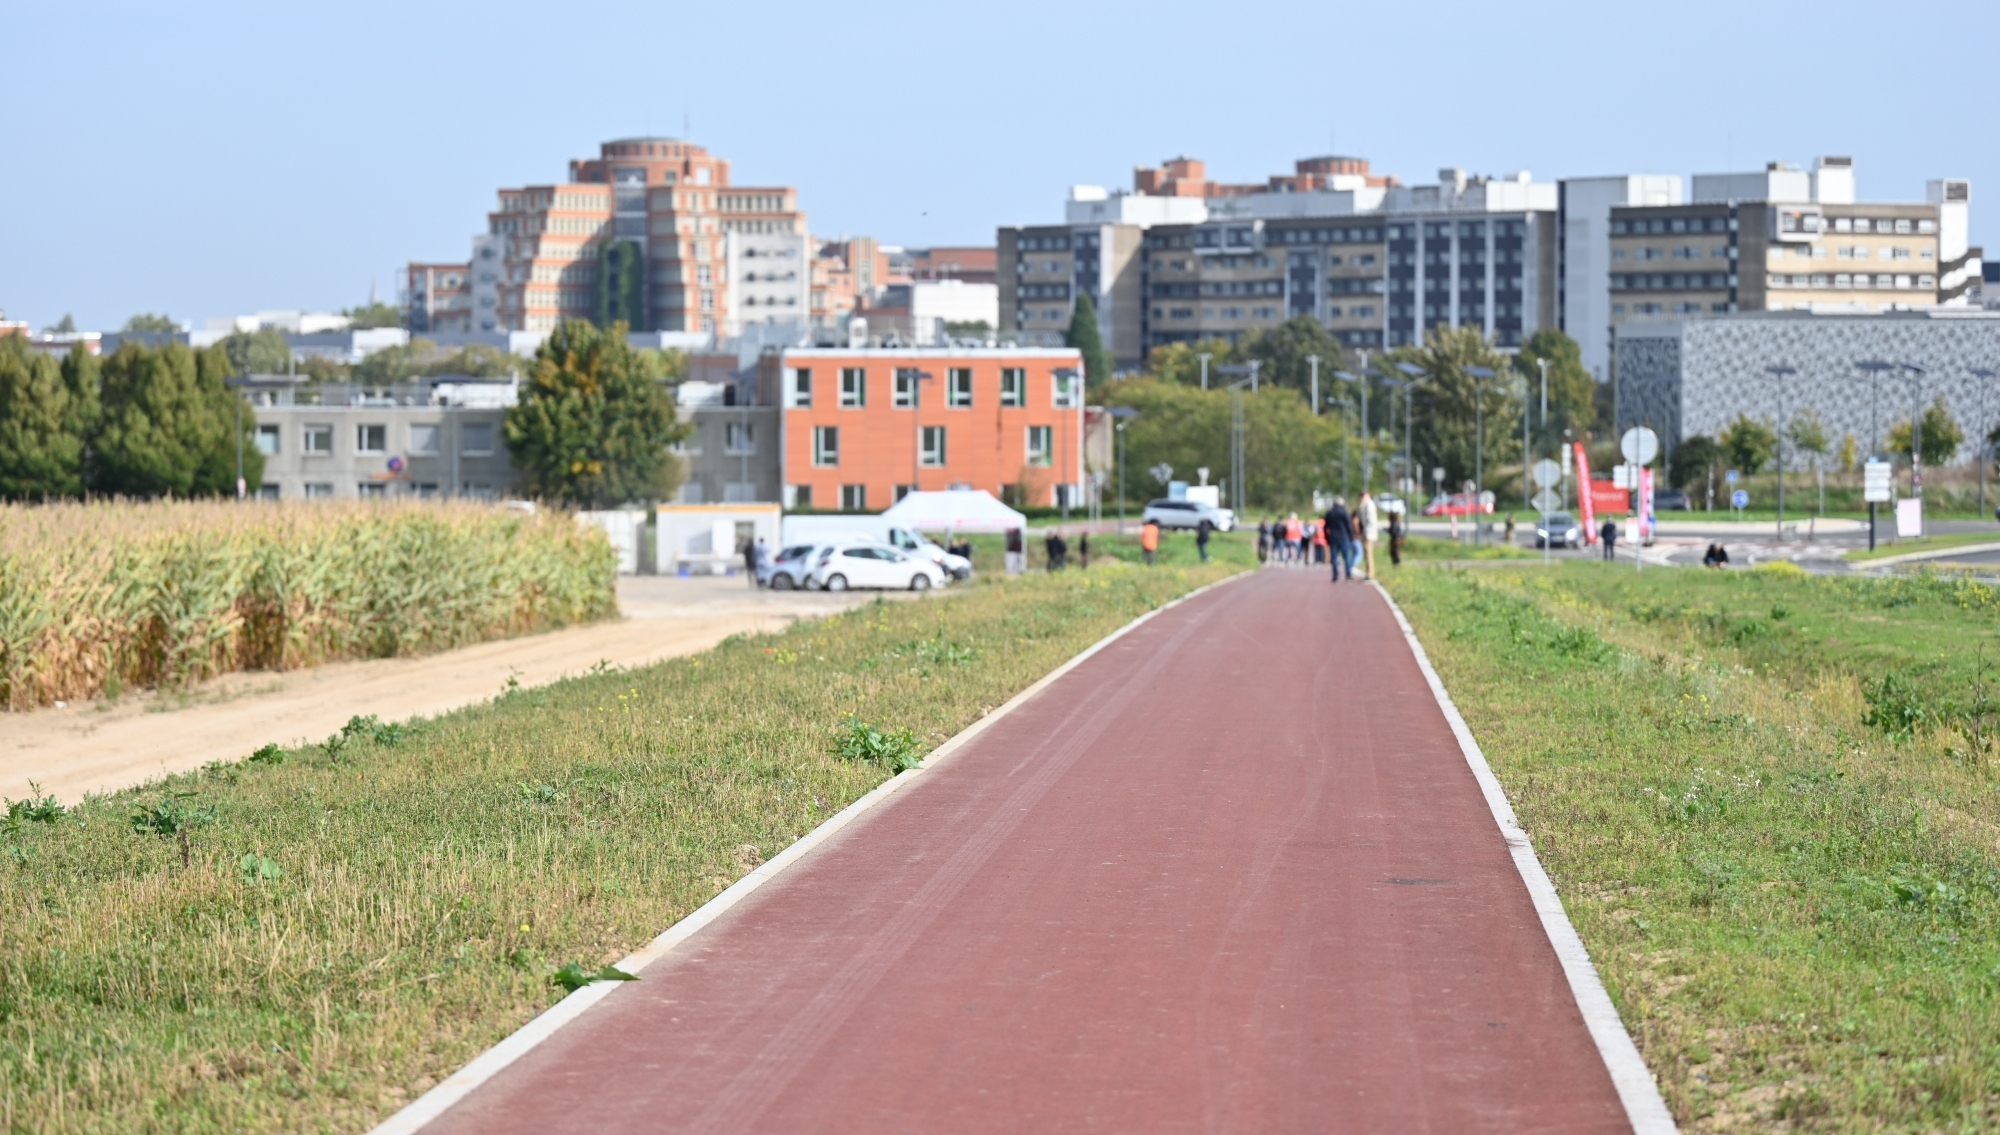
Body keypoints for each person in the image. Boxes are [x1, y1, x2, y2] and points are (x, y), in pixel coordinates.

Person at [1323, 496, 1353, 582]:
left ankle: (1335, 575)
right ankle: (1348, 574)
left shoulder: (1330, 513)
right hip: (1344, 537)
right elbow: (1348, 526)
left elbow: (1325, 527)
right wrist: (1351, 537)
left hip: (1333, 537)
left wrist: (1327, 538)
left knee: (1334, 557)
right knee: (1346, 557)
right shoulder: (1344, 512)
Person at [1358, 491, 1380, 579]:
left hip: (1368, 533)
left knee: (1368, 553)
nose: (1362, 498)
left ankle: (1370, 573)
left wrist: (1366, 531)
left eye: (1363, 495)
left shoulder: (1369, 505)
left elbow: (1371, 520)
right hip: (1366, 532)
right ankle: (1368, 572)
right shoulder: (1365, 504)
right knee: (1366, 554)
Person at [1388, 502, 1405, 567]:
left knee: (1395, 552)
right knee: (1396, 551)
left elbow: (1394, 532)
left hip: (1395, 539)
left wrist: (1389, 530)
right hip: (1397, 538)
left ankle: (1396, 563)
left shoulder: (1394, 523)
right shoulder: (1396, 522)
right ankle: (1396, 563)